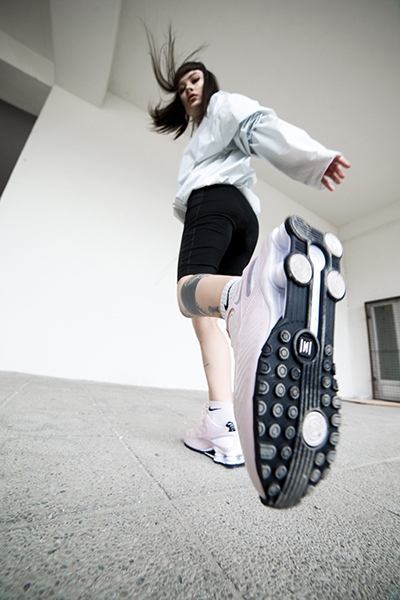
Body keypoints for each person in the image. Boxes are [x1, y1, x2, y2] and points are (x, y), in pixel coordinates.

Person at [147, 30, 350, 508]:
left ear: (209, 82)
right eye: (182, 86)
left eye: (195, 80)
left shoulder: (222, 106)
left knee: (189, 292)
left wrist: (311, 159)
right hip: (243, 217)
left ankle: (253, 294)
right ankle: (224, 423)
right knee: (211, 317)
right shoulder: (206, 127)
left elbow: (259, 124)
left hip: (213, 203)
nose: (189, 89)